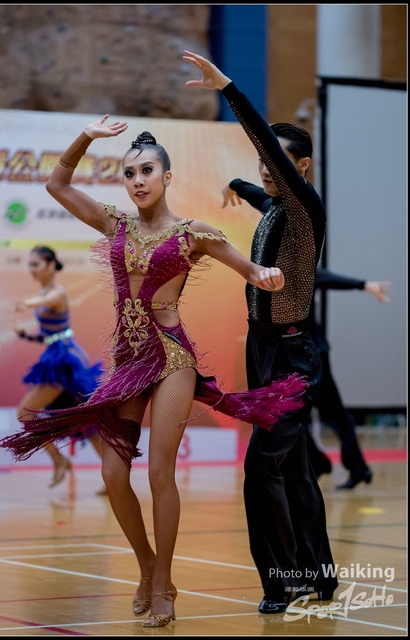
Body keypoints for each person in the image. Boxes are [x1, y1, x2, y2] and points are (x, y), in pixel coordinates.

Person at [0, 118, 308, 628]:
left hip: (171, 358)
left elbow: (250, 270)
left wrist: (267, 275)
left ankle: (163, 583)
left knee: (159, 471)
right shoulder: (115, 224)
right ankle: (145, 566)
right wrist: (86, 138)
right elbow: (57, 184)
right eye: (130, 173)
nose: (138, 180)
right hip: (128, 363)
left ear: (166, 177)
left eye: (147, 171)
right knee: (112, 474)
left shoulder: (193, 233)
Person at [183, 50, 339, 613]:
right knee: (292, 467)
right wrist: (235, 183)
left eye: (275, 164)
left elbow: (270, 160)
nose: (266, 171)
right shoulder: (274, 203)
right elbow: (257, 190)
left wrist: (228, 88)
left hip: (293, 356)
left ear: (302, 169)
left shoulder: (304, 208)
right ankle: (318, 575)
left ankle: (282, 580)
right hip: (263, 350)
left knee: (260, 468)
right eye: (261, 165)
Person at [221, 180, 391, 489]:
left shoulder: (299, 261)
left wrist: (363, 285)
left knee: (332, 413)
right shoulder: (275, 223)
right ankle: (321, 463)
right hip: (287, 349)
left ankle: (358, 468)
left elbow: (324, 277)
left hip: (309, 350)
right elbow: (259, 197)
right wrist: (234, 185)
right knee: (291, 416)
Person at [13, 245, 105, 491]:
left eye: (36, 264)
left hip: (66, 363)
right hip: (57, 357)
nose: (32, 269)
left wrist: (26, 302)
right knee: (85, 422)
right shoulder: (45, 291)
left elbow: (45, 301)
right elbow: (49, 335)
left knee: (25, 413)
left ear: (51, 265)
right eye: (30, 264)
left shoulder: (56, 293)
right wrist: (25, 335)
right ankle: (112, 475)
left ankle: (60, 461)